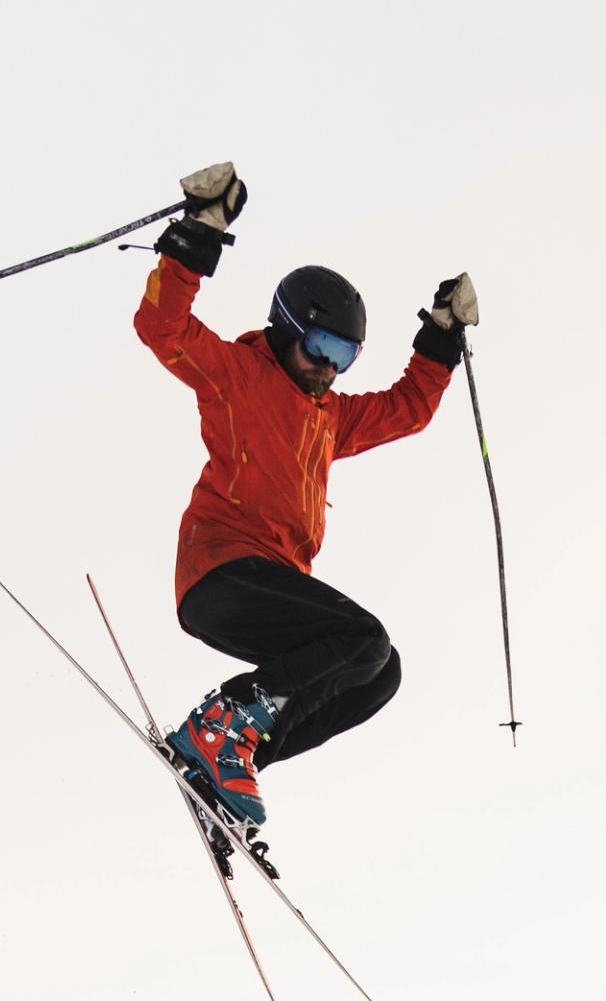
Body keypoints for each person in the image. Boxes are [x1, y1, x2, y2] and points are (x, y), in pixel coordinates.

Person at [133, 161, 476, 852]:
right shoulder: (237, 376)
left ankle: (230, 763)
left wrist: (440, 337)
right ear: (287, 329)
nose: (329, 368)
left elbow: (405, 410)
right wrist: (199, 234)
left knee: (379, 674)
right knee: (363, 639)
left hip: (273, 585)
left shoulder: (326, 418)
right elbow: (162, 327)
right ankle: (221, 726)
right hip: (222, 571)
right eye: (321, 347)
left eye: (345, 355)